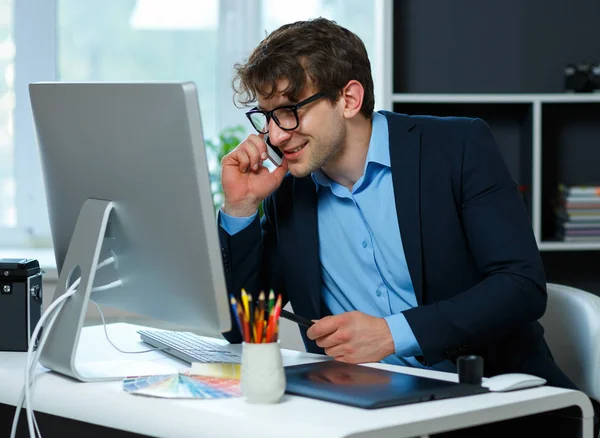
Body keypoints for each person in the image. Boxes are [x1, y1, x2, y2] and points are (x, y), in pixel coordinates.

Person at [217, 17, 598, 433]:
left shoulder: (457, 149)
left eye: (289, 112)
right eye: (267, 116)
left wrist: (393, 334)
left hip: (493, 405)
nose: (274, 136)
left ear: (348, 98)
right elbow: (244, 326)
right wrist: (240, 208)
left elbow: (521, 287)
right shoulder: (290, 190)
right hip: (360, 411)